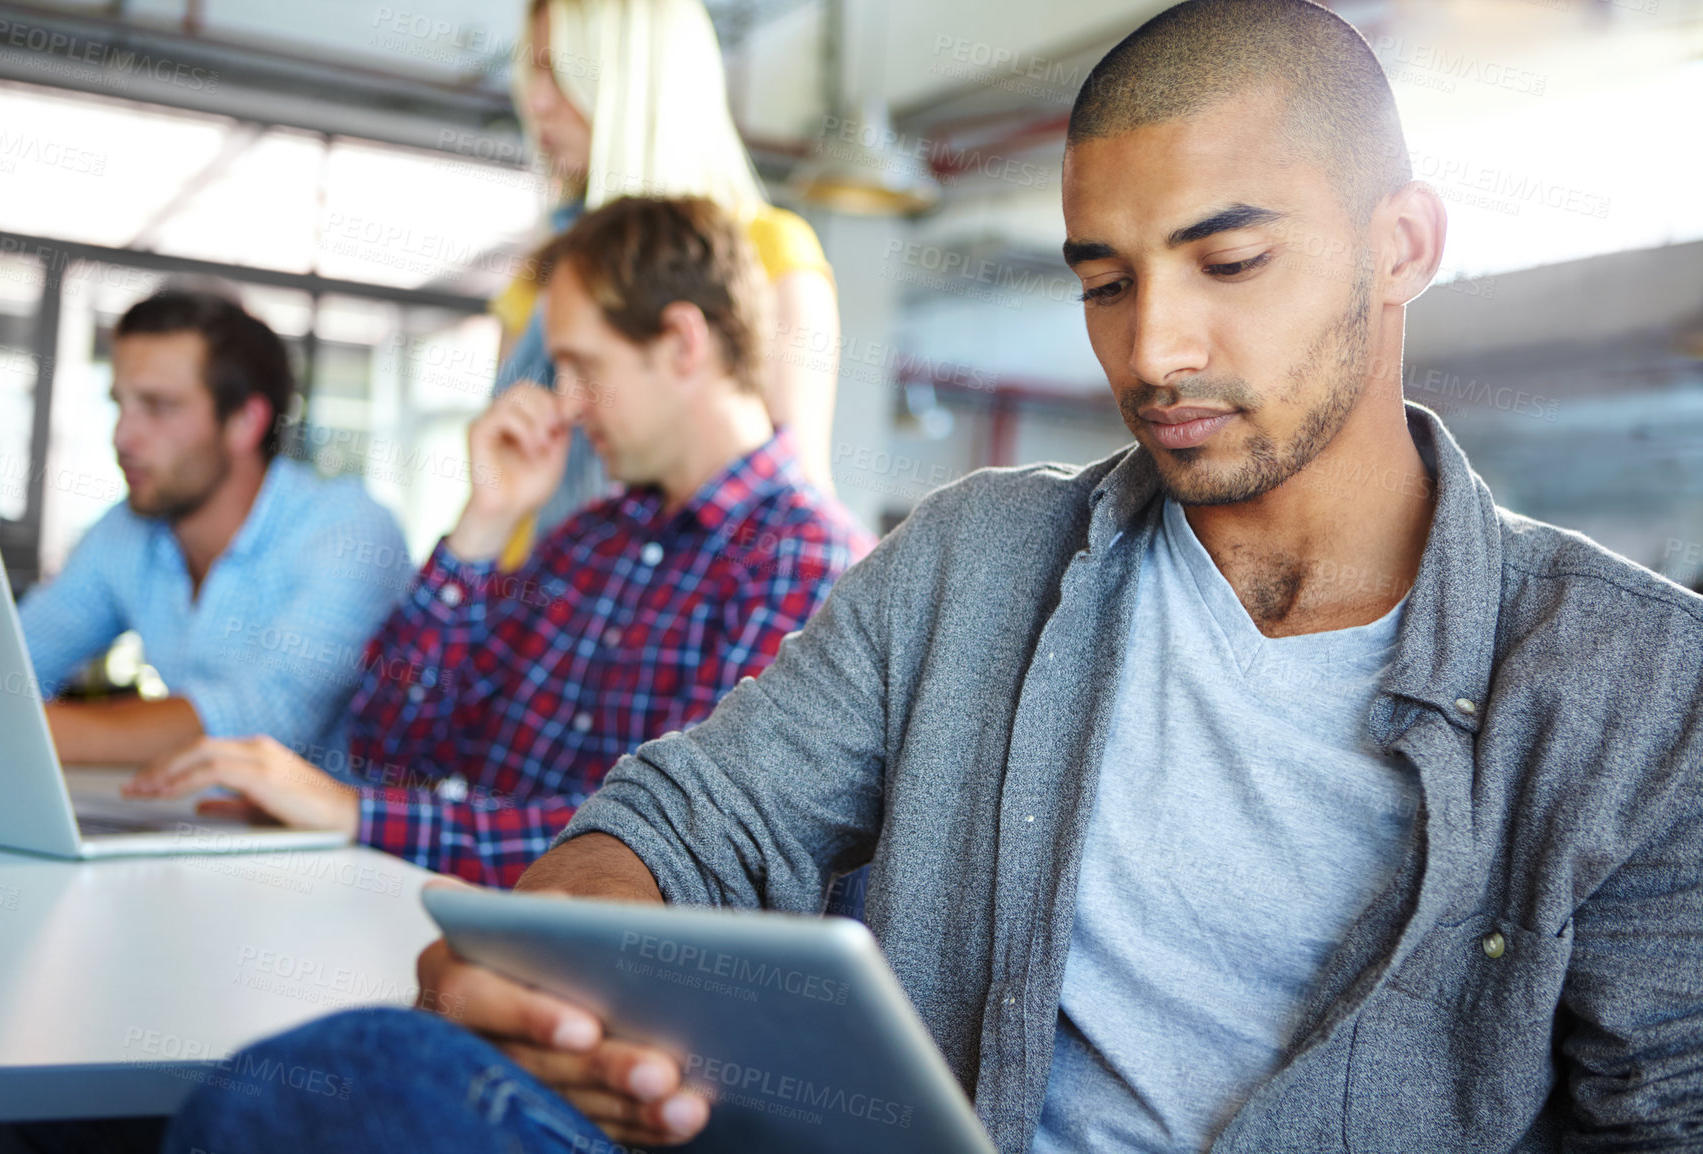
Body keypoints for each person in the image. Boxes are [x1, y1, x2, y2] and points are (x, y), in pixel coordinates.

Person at [164, 1, 1703, 1151]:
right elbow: (698, 814)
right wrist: (558, 956)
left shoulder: (1636, 691)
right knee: (328, 1086)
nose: (1153, 348)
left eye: (1230, 265)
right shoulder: (975, 559)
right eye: (1104, 280)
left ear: (1403, 245)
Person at [126, 197, 871, 887]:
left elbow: (664, 846)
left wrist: (360, 815)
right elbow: (392, 744)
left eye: (584, 366)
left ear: (682, 340)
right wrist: (484, 524)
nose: (569, 404)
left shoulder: (806, 565)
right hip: (449, 917)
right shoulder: (588, 542)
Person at [491, 0, 842, 565]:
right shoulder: (538, 273)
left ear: (640, 82)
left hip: (677, 620)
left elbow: (797, 501)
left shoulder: (771, 255)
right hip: (538, 602)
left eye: (560, 71)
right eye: (533, 73)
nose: (534, 102)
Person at [17, 290, 407, 767]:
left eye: (159, 406)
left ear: (245, 422)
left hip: (336, 838)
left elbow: (266, 720)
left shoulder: (347, 530)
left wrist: (25, 733)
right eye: (121, 404)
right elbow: (8, 666)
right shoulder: (124, 531)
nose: (122, 437)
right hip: (196, 820)